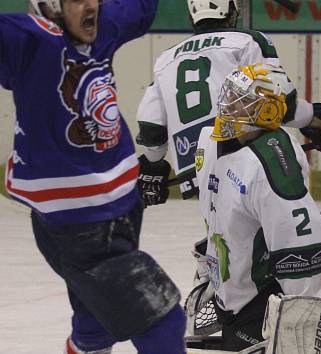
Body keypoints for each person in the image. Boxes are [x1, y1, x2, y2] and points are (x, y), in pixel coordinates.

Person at [0, 0, 186, 353]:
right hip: (77, 226)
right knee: (162, 319)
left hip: (123, 204)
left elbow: (140, 7)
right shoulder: (29, 39)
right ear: (50, 7)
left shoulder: (102, 23)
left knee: (96, 321)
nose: (91, 7)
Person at [135, 0, 321, 205]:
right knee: (271, 236)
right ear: (231, 10)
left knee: (221, 237)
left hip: (199, 173)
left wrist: (153, 163)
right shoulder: (247, 41)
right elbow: (279, 101)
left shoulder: (166, 59)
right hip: (248, 160)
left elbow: (151, 126)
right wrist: (318, 119)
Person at [192, 63, 321, 351]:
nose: (230, 106)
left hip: (261, 305)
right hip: (232, 297)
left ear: (269, 112)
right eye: (230, 97)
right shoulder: (212, 143)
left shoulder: (271, 159)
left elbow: (300, 241)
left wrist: (302, 317)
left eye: (242, 101)